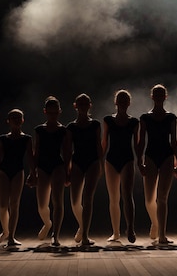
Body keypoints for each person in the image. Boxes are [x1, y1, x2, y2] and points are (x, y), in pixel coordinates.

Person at [136, 84, 177, 244]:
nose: (159, 96)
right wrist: (139, 161)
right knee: (149, 199)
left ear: (165, 96)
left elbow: (174, 141)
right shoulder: (145, 118)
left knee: (162, 197)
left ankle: (162, 234)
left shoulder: (171, 118)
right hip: (151, 156)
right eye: (156, 94)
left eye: (162, 94)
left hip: (167, 156)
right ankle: (155, 223)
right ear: (152, 96)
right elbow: (141, 141)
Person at [26, 96, 72, 247]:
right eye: (50, 113)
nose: (53, 116)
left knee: (57, 201)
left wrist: (67, 171)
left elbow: (67, 153)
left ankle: (55, 235)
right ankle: (47, 223)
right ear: (45, 112)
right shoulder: (39, 130)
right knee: (42, 205)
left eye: (55, 113)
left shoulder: (63, 130)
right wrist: (33, 173)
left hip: (57, 166)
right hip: (43, 167)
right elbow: (35, 152)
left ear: (59, 112)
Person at [0, 108, 34, 248]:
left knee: (14, 204)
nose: (16, 120)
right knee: (2, 206)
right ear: (8, 121)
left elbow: (31, 158)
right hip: (4, 172)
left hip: (18, 172)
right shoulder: (3, 139)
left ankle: (11, 237)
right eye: (13, 117)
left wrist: (33, 174)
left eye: (19, 117)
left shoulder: (27, 139)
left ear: (23, 120)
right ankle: (6, 231)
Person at [102, 89, 140, 243]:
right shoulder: (108, 120)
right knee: (113, 198)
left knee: (127, 195)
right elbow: (104, 142)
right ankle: (116, 232)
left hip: (127, 159)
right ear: (115, 102)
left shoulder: (134, 122)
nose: (123, 102)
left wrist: (140, 160)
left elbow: (137, 144)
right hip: (111, 160)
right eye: (120, 99)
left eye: (125, 100)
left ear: (129, 103)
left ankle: (130, 228)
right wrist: (99, 161)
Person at [66, 93, 103, 246]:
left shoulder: (95, 124)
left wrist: (101, 164)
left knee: (87, 198)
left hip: (93, 162)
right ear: (76, 106)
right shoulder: (71, 127)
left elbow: (98, 146)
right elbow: (68, 150)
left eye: (85, 103)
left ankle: (85, 236)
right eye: (80, 103)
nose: (83, 106)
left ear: (90, 105)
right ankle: (82, 228)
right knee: (75, 201)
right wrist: (67, 169)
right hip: (77, 162)